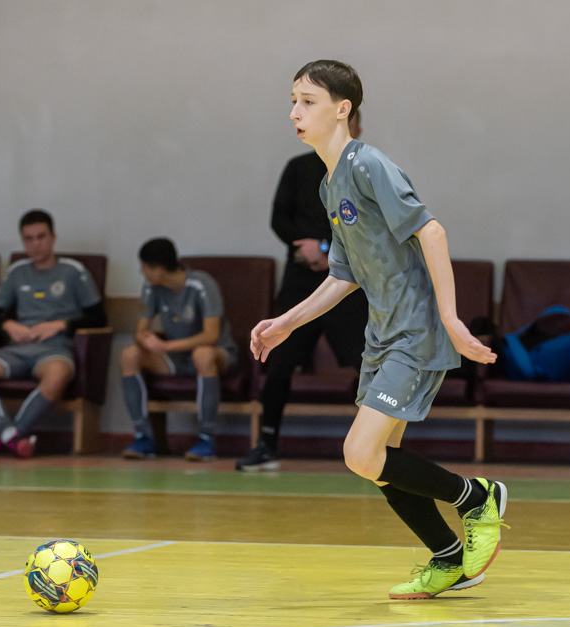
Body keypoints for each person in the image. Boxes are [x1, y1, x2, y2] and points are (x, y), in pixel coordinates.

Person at [250, 60, 508, 599]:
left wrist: (451, 320)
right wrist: (286, 323)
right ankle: (448, 557)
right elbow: (343, 276)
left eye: (308, 101)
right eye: (293, 100)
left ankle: (478, 498)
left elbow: (432, 233)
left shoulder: (368, 165)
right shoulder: (329, 186)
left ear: (342, 109)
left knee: (360, 453)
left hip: (415, 331)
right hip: (383, 334)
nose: (295, 112)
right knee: (379, 461)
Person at [235, 113, 369, 472]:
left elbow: (369, 226)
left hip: (349, 279)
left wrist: (326, 249)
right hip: (300, 276)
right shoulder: (299, 167)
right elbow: (279, 218)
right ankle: (267, 444)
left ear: (357, 126)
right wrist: (307, 249)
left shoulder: (365, 169)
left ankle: (374, 450)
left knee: (366, 361)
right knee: (279, 359)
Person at [0, 209, 106, 458]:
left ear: (53, 238)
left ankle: (4, 440)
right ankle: (10, 436)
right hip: (18, 349)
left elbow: (99, 317)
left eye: (41, 237)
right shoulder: (17, 271)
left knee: (58, 375)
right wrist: (9, 325)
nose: (35, 244)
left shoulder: (73, 271)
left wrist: (60, 325)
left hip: (55, 349)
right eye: (28, 239)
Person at [119, 238, 238, 461]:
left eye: (145, 267)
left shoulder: (202, 284)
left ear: (159, 269)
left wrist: (166, 345)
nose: (142, 273)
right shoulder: (151, 288)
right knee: (129, 354)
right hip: (175, 357)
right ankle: (143, 438)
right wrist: (147, 340)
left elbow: (211, 335)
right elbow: (140, 331)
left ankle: (206, 439)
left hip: (216, 353)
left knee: (202, 354)